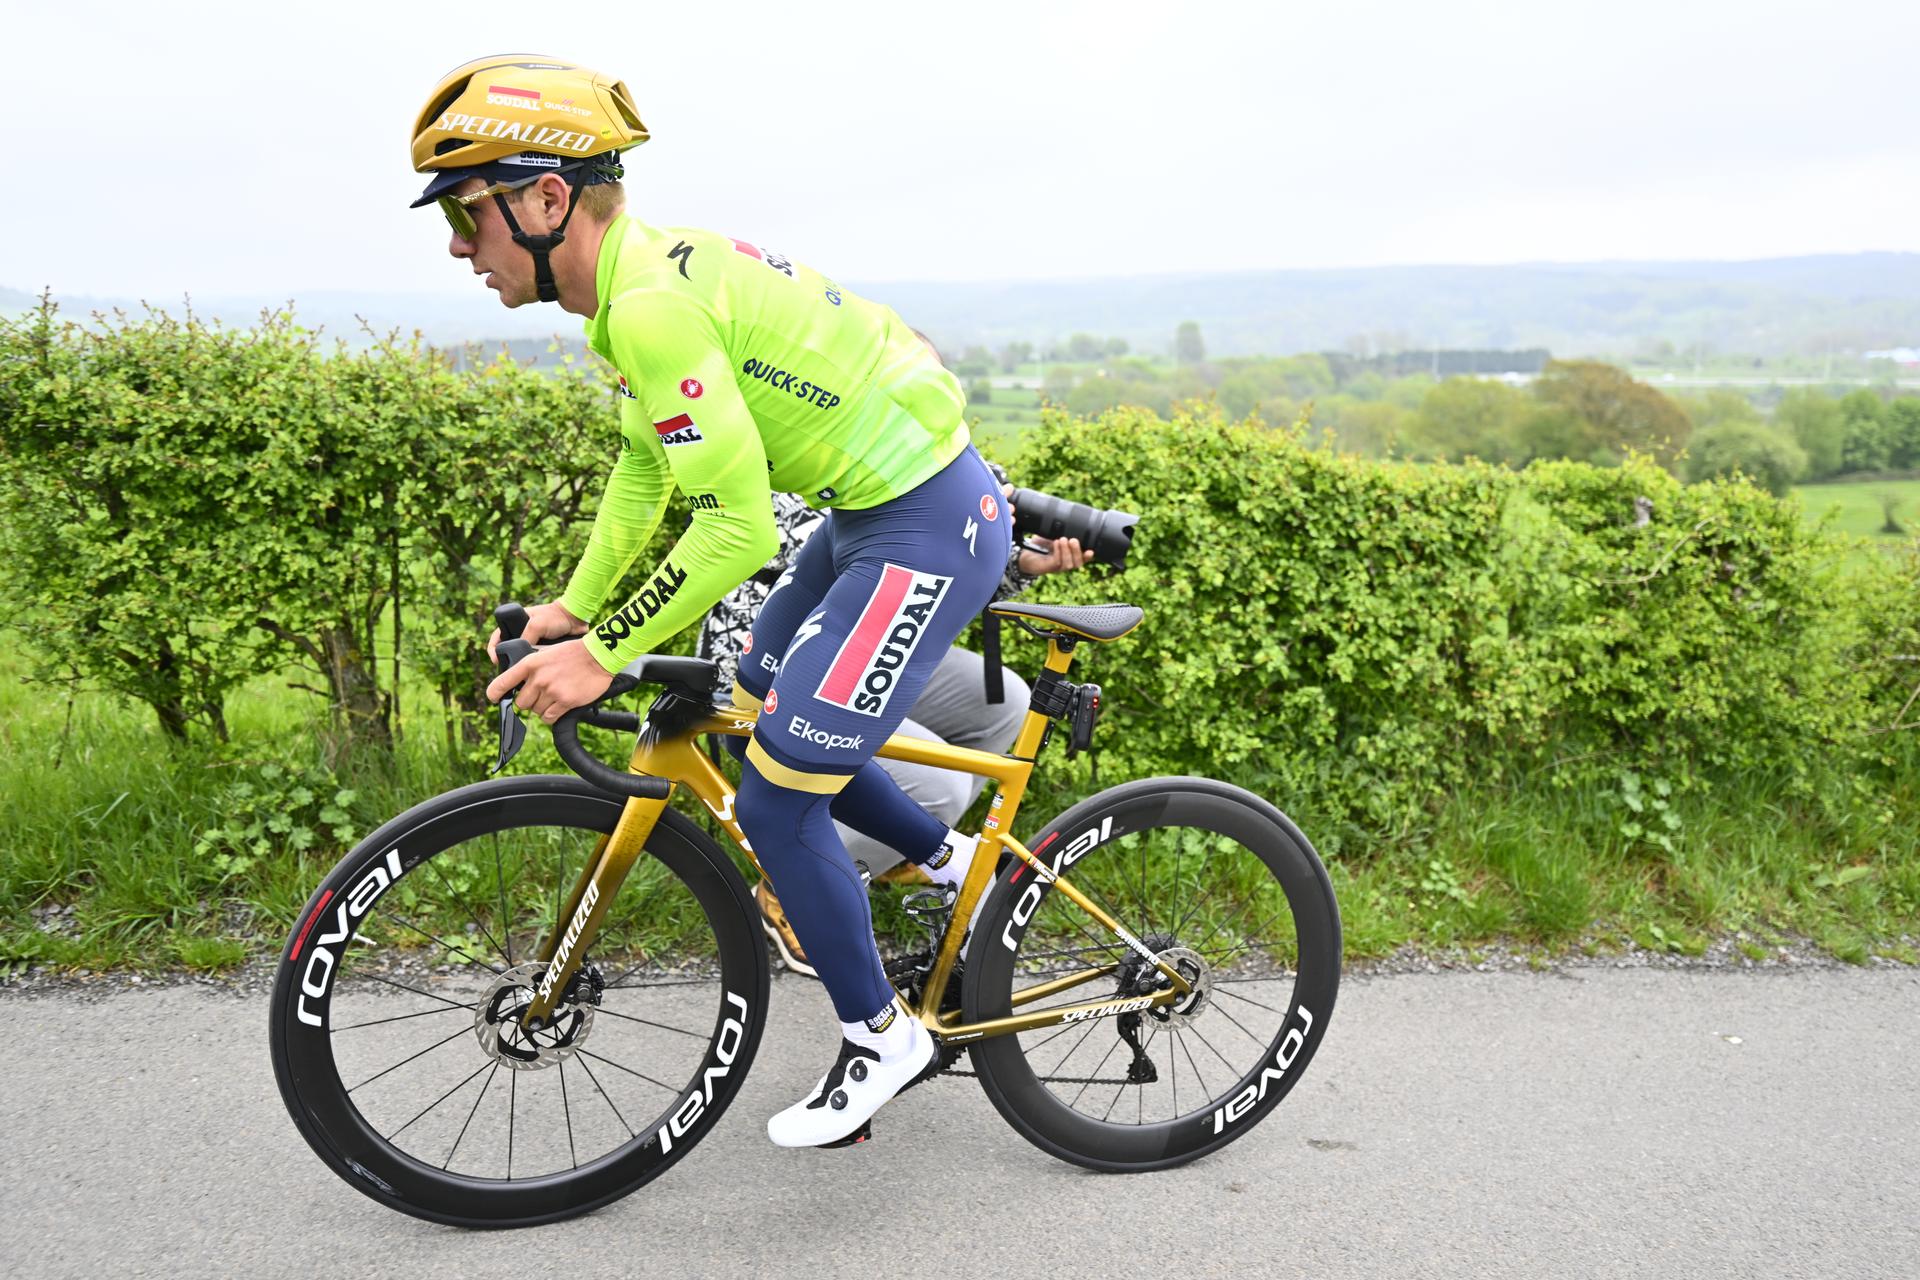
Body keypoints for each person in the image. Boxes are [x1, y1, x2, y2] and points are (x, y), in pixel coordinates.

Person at [413, 53, 1029, 1147]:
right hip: (868, 512)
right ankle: (951, 869)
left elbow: (738, 527)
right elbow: (649, 471)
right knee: (752, 695)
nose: (463, 247)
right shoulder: (630, 289)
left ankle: (883, 1037)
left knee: (785, 794)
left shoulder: (647, 303)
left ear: (549, 199)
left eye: (471, 214)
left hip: (925, 525)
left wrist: (601, 650)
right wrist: (576, 603)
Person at [696, 479, 1091, 977]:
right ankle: (792, 885)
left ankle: (886, 854)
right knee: (939, 790)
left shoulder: (934, 444)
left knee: (1004, 701)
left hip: (871, 630)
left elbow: (945, 570)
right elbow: (828, 552)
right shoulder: (824, 448)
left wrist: (1019, 561)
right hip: (777, 655)